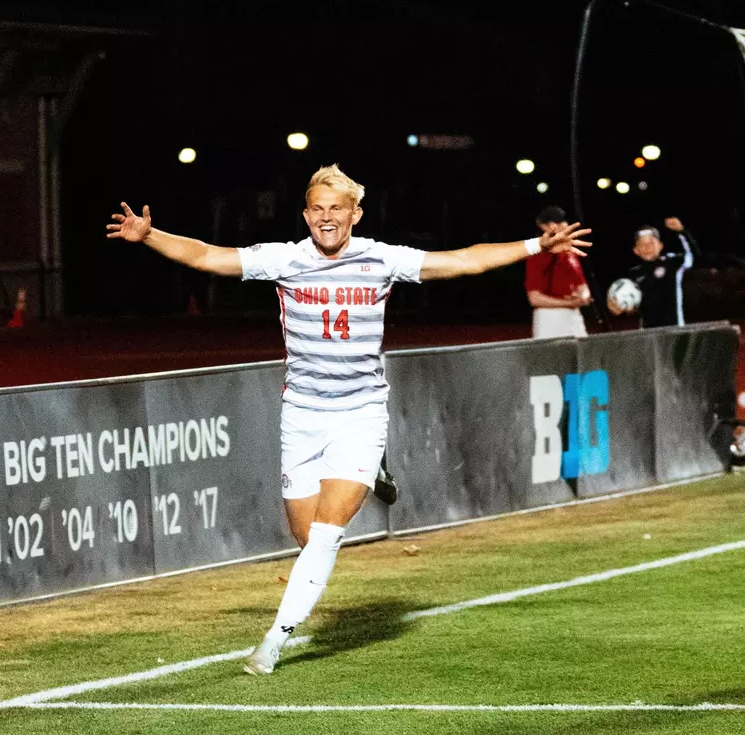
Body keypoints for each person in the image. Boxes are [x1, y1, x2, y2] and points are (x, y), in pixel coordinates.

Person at [107, 164, 591, 675]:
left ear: (355, 214)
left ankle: (274, 640)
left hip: (360, 413)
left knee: (324, 536)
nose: (326, 218)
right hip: (302, 415)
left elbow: (462, 262)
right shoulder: (286, 259)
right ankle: (370, 475)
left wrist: (537, 247)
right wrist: (149, 236)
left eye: (336, 208)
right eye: (317, 209)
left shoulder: (380, 258)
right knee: (303, 534)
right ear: (306, 214)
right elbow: (208, 256)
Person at [609, 217, 694, 327]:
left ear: (660, 246)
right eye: (642, 244)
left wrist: (682, 232)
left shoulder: (672, 262)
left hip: (675, 330)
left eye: (651, 242)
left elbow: (694, 257)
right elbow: (633, 306)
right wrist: (619, 309)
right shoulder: (633, 274)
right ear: (636, 251)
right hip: (648, 333)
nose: (647, 247)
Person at [525, 204, 592, 338]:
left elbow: (582, 285)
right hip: (549, 318)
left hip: (574, 315)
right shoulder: (537, 256)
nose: (562, 225)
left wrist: (583, 297)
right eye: (555, 222)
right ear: (544, 227)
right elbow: (534, 298)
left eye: (562, 221)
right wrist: (570, 303)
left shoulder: (570, 253)